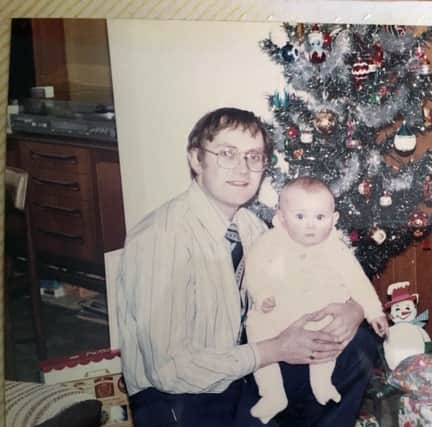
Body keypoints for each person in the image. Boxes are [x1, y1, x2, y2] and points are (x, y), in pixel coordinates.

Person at [116, 107, 378, 427]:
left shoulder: (250, 227)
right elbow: (170, 370)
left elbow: (311, 277)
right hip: (178, 396)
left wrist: (353, 309)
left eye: (254, 156)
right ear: (196, 159)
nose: (242, 168)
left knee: (358, 347)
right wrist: (274, 350)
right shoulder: (160, 239)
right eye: (227, 153)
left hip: (240, 371)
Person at [244, 177, 389, 424]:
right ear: (281, 218)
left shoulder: (335, 248)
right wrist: (262, 295)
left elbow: (358, 281)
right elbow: (255, 270)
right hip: (278, 315)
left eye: (319, 218)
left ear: (333, 220)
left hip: (321, 315)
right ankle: (271, 392)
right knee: (255, 327)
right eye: (300, 217)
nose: (310, 225)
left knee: (330, 339)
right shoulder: (270, 242)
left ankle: (322, 383)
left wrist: (374, 311)